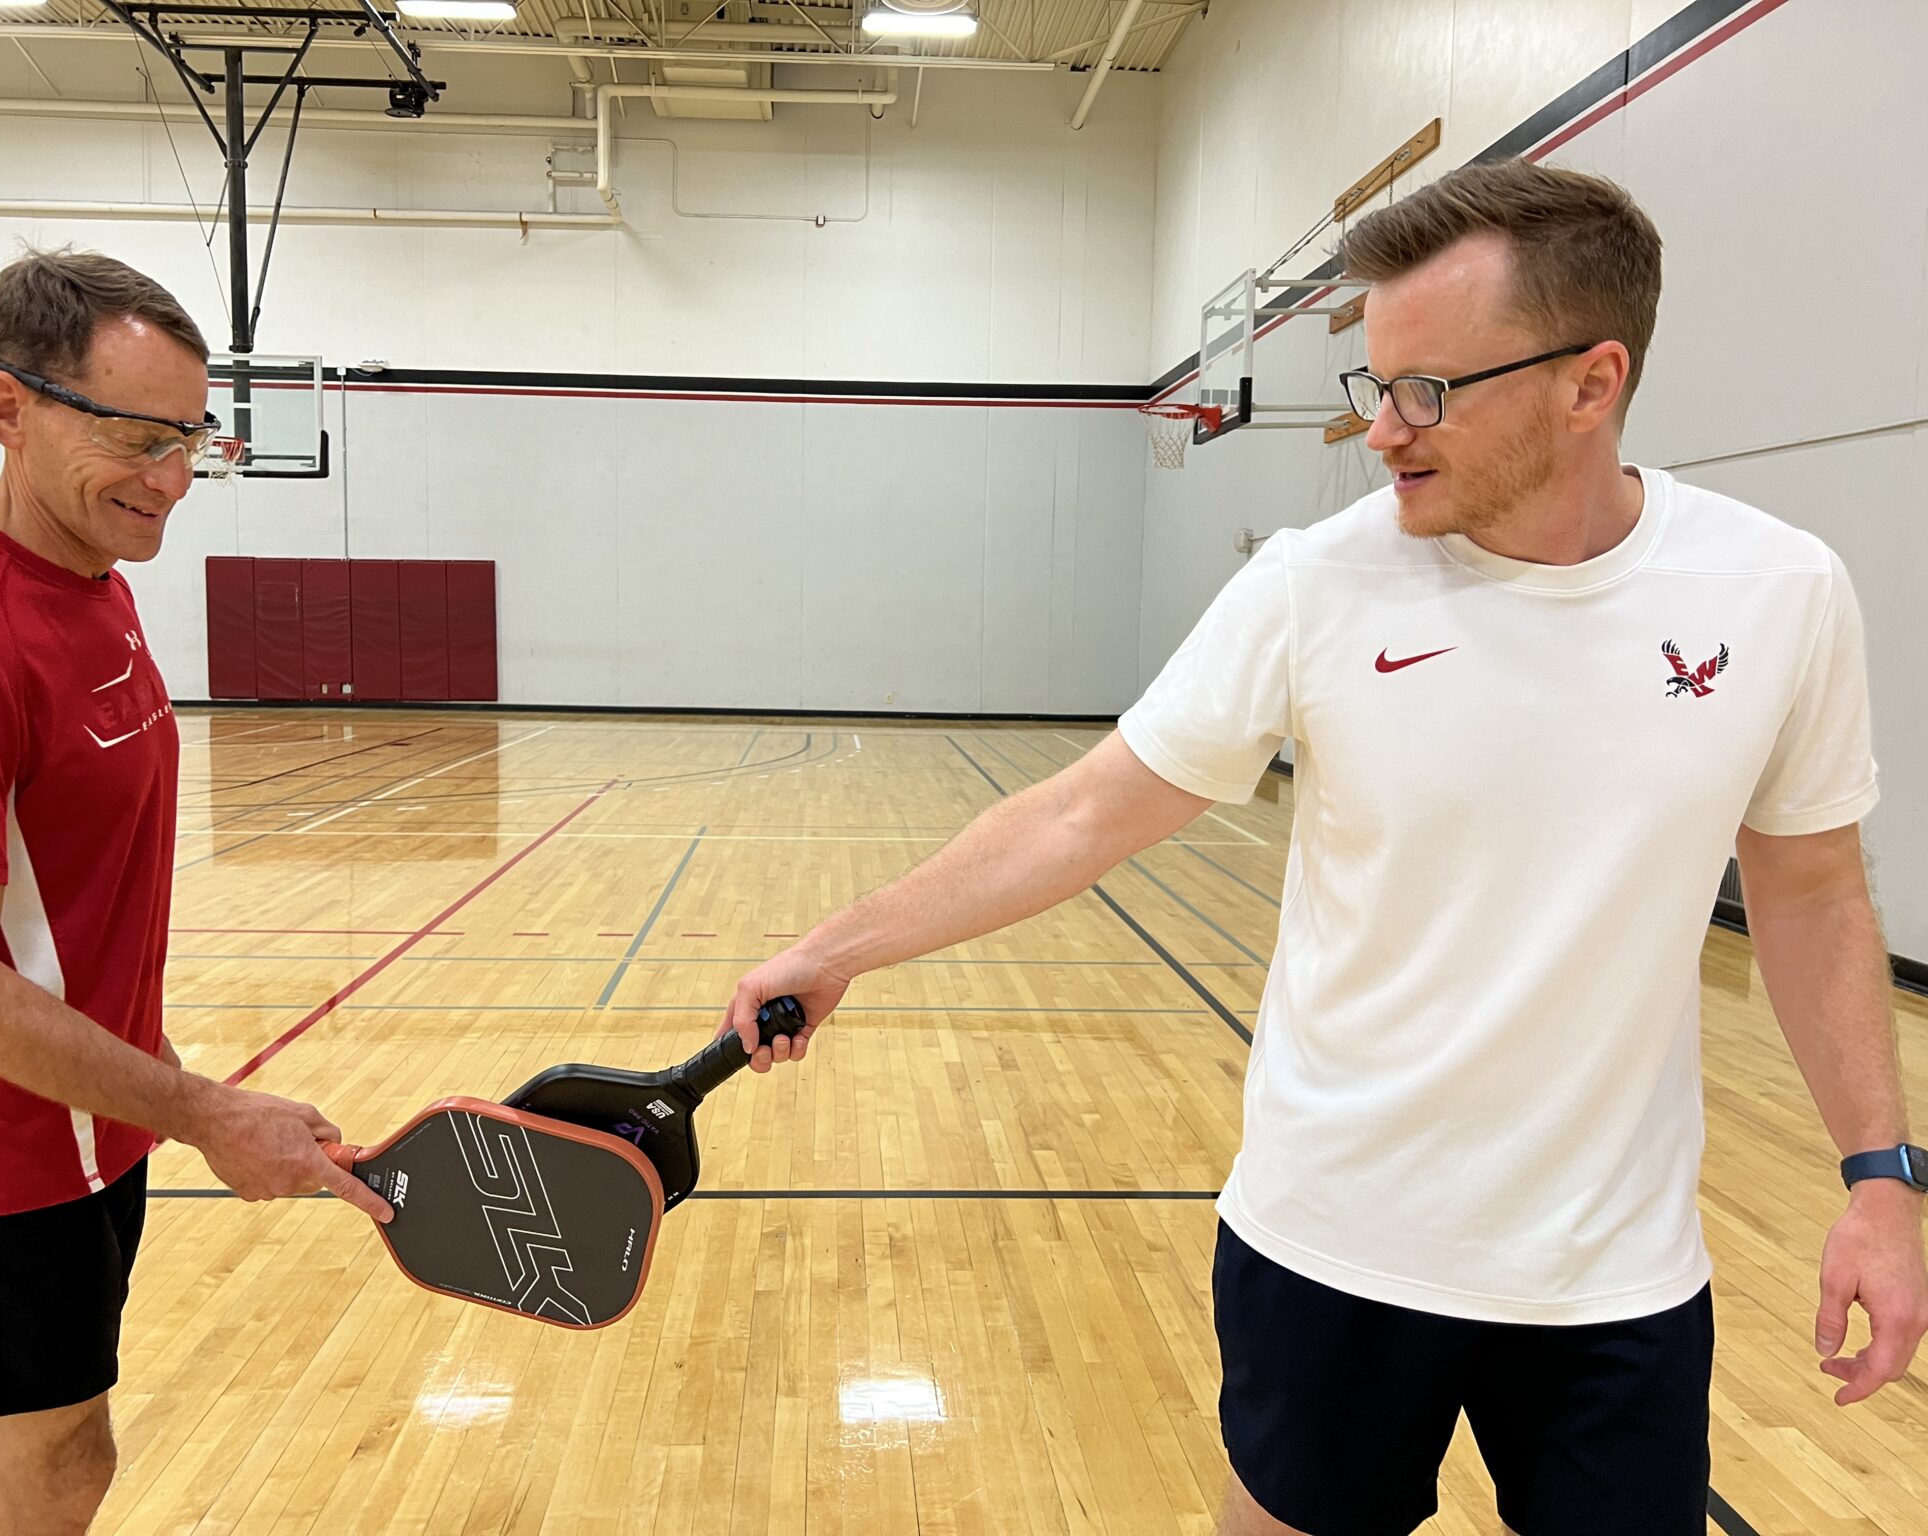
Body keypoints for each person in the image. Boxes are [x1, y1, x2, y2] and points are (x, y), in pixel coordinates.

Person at [716, 159, 1928, 1535]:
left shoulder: (1779, 592)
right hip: (1334, 1242)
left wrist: (1882, 1182)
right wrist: (836, 950)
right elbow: (1084, 810)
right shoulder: (1316, 582)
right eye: (1374, 385)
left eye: (1429, 391)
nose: (1382, 430)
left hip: (1616, 1276)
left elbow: (1815, 889)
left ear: (1592, 384)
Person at [0, 249, 391, 1535]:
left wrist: (157, 1083)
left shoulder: (94, 588)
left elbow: (59, 906)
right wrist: (203, 1110)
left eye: (190, 437)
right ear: (8, 408)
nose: (172, 480)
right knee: (55, 1472)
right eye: (136, 437)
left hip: (78, 1120)